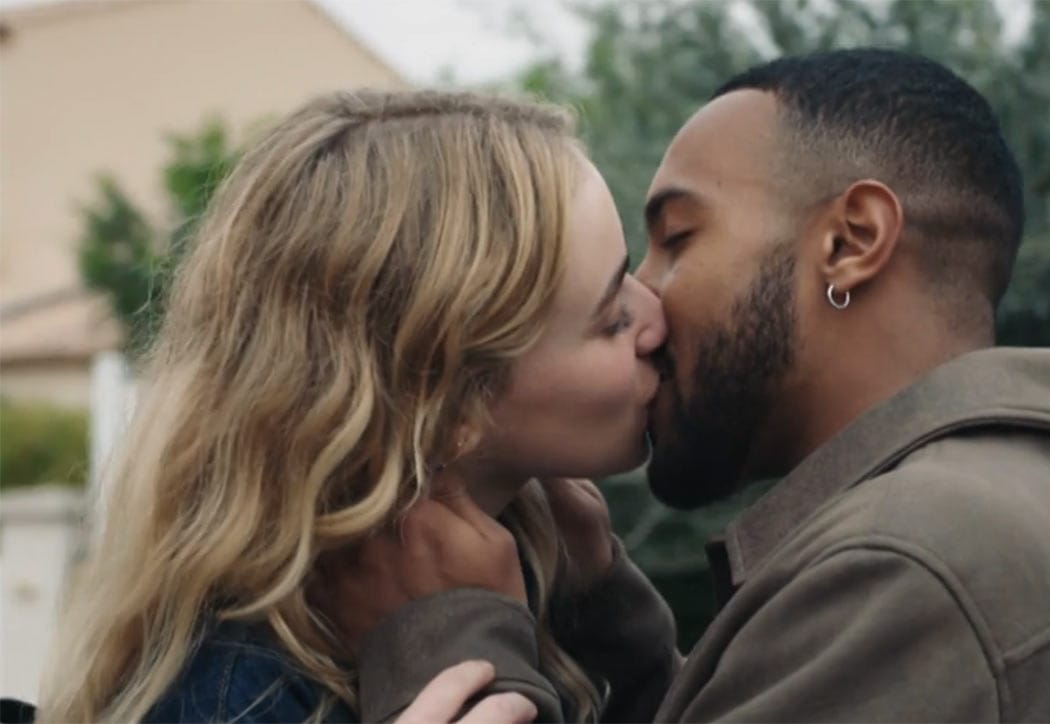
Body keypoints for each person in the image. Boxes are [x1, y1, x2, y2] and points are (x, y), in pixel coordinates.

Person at [348, 49, 1050, 722]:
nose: (647, 303)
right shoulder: (1000, 518)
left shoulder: (916, 566)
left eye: (678, 238)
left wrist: (446, 643)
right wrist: (613, 627)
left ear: (850, 242)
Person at [35, 89, 678, 722]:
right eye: (612, 318)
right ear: (448, 399)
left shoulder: (544, 569)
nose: (656, 319)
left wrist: (613, 625)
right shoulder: (243, 701)